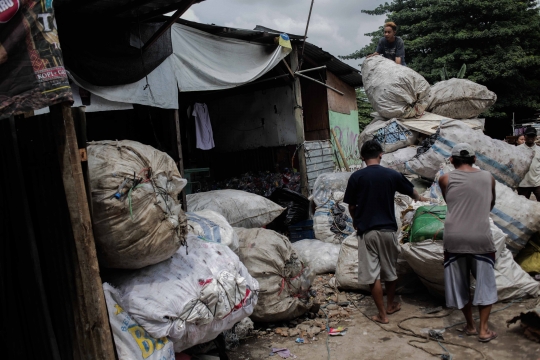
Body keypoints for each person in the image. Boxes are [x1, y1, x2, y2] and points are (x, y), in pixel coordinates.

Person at [344, 140, 428, 324]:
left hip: (367, 232)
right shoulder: (391, 174)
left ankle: (382, 314)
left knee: (371, 274)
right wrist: (424, 199)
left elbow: (351, 206)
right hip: (388, 230)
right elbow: (412, 192)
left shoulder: (356, 177)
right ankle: (390, 304)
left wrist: (356, 221)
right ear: (381, 155)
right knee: (390, 270)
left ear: (362, 157)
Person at [438, 143, 498, 343]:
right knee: (485, 284)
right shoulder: (488, 178)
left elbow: (450, 202)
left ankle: (470, 326)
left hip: (454, 237)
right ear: (474, 159)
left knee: (460, 285)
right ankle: (483, 330)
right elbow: (490, 204)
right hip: (480, 237)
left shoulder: (445, 179)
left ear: (452, 160)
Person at [517, 127, 540, 201]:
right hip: (523, 183)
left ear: (535, 137)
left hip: (537, 183)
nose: (530, 138)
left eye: (532, 136)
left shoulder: (539, 150)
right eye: (528, 135)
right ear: (525, 136)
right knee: (522, 207)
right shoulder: (518, 150)